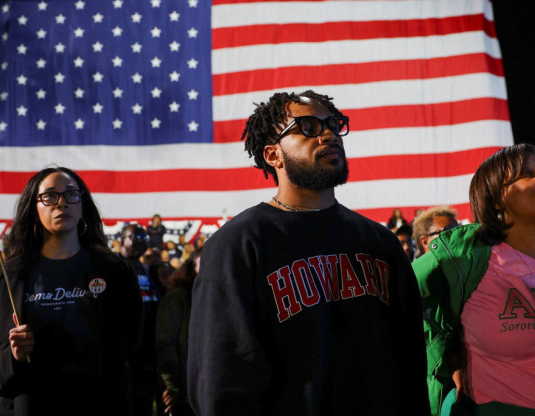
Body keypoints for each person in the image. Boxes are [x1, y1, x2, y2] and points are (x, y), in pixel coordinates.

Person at [187, 90, 430, 415]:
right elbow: (221, 377)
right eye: (308, 127)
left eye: (333, 123)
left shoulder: (380, 243)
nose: (329, 133)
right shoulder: (238, 244)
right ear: (274, 155)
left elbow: (410, 362)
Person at [414, 144, 535, 416]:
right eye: (526, 174)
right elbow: (391, 296)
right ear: (495, 199)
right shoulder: (462, 256)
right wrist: (449, 355)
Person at [0, 166, 143, 416]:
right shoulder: (2, 278)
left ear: (82, 205)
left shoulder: (116, 272)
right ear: (33, 208)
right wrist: (11, 355)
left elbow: (134, 349)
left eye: (71, 194)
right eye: (49, 196)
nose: (61, 203)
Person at [119, 224, 163, 416]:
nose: (141, 241)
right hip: (127, 349)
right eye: (135, 237)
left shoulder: (147, 268)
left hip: (150, 346)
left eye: (143, 237)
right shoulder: (114, 266)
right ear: (122, 240)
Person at [156, 249, 201, 416]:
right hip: (183, 391)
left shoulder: (217, 297)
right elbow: (165, 343)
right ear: (191, 268)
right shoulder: (178, 298)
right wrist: (171, 384)